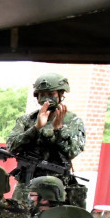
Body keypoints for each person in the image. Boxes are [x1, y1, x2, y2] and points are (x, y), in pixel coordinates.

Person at [6, 72, 86, 206]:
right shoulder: (27, 120)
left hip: (56, 188)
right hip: (27, 186)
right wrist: (35, 128)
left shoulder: (73, 121)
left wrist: (58, 131)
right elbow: (12, 146)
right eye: (42, 95)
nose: (46, 99)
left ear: (61, 95)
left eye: (51, 94)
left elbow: (73, 151)